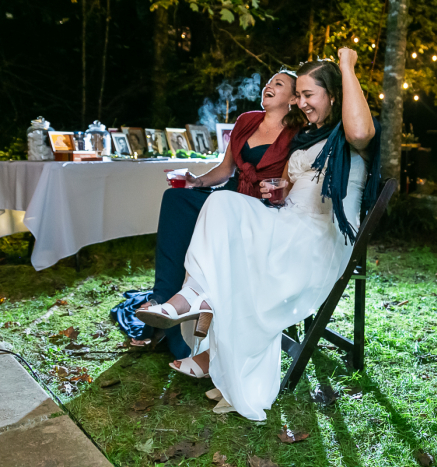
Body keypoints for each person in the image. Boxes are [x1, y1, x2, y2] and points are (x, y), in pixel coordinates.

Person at [136, 48, 382, 421]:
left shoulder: (348, 139)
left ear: (333, 95)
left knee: (231, 237)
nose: (301, 103)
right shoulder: (308, 137)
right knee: (220, 205)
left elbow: (361, 130)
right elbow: (291, 186)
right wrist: (280, 190)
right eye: (297, 95)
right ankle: (194, 296)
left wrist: (347, 66)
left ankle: (203, 320)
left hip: (317, 241)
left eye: (308, 95)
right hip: (285, 221)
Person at [124, 71, 304, 355]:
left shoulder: (297, 133)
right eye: (269, 82)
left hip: (258, 209)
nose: (269, 86)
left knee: (207, 212)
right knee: (176, 199)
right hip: (226, 196)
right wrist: (197, 181)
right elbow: (225, 170)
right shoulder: (246, 120)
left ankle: (187, 310)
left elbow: (289, 182)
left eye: (278, 84)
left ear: (294, 98)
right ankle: (163, 298)